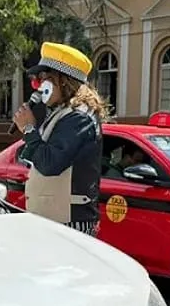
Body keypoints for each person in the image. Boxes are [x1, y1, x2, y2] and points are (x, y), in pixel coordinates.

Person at [11, 42, 107, 236]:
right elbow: (37, 157)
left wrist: (29, 128)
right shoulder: (62, 114)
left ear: (62, 80)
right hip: (55, 219)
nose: (39, 85)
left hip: (69, 222)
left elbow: (50, 163)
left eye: (45, 78)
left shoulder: (78, 118)